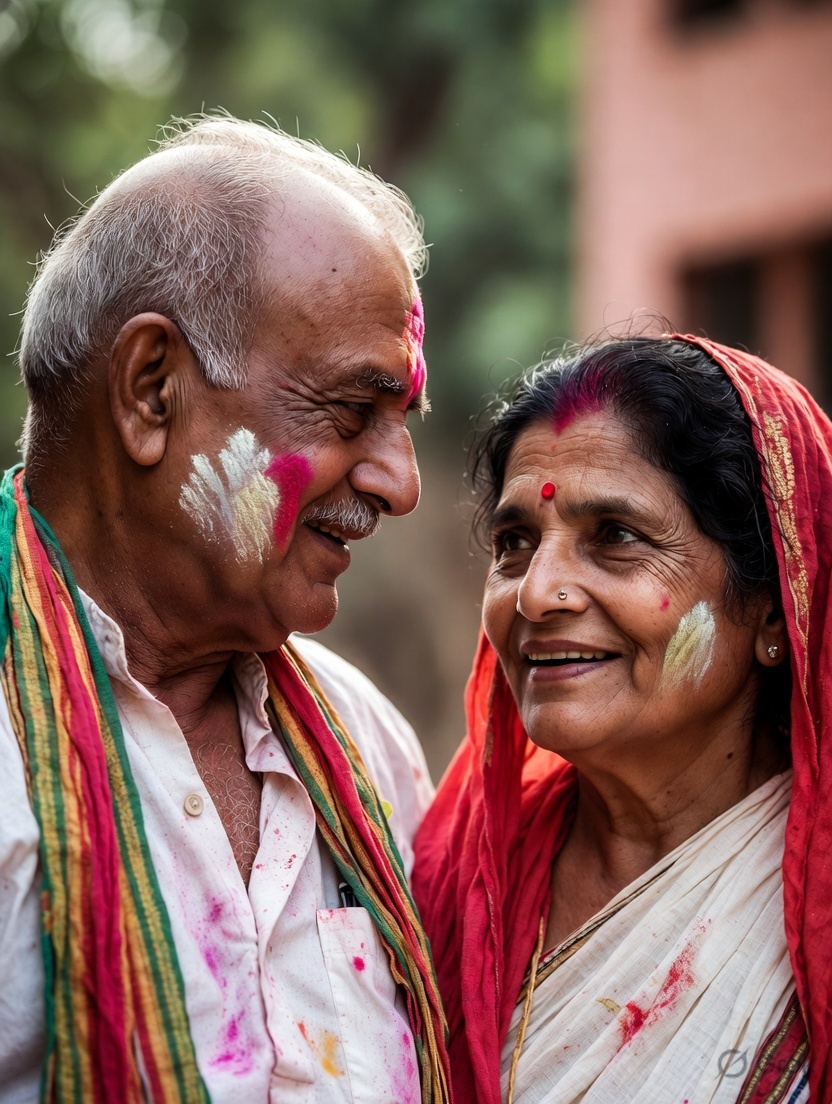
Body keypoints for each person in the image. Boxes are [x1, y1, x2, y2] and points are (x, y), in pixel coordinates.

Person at [0, 115, 450, 1104]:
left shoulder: (367, 746)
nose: (398, 482)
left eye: (401, 423)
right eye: (349, 410)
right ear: (151, 391)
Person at [414, 334, 832, 1103]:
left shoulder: (819, 904)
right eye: (515, 543)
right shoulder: (450, 889)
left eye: (616, 537)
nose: (537, 595)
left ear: (776, 611)